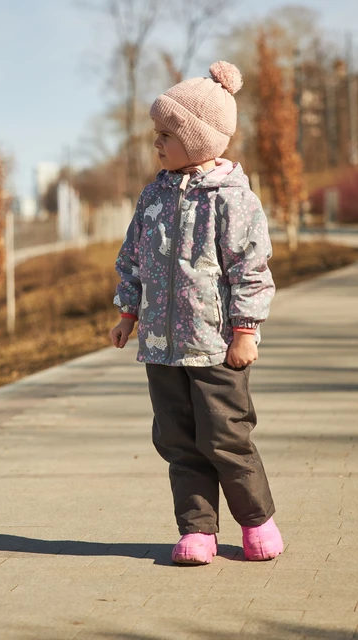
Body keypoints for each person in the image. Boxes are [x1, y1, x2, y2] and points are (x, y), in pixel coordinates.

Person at [108, 61, 283, 566]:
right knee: (178, 441)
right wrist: (128, 313)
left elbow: (250, 267)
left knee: (226, 437)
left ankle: (256, 522)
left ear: (201, 139)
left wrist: (246, 330)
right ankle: (198, 531)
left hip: (215, 346)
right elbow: (133, 257)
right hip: (162, 350)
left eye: (167, 134)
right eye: (156, 134)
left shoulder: (233, 199)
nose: (156, 144)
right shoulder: (153, 196)